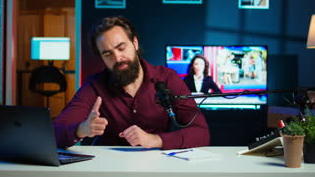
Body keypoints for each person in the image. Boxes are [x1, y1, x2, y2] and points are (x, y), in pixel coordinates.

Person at [53, 16, 209, 150]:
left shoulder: (167, 78)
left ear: (134, 43)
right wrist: (81, 129)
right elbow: (55, 132)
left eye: (121, 48)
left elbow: (201, 133)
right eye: (108, 54)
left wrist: (155, 140)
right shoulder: (95, 85)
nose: (117, 58)